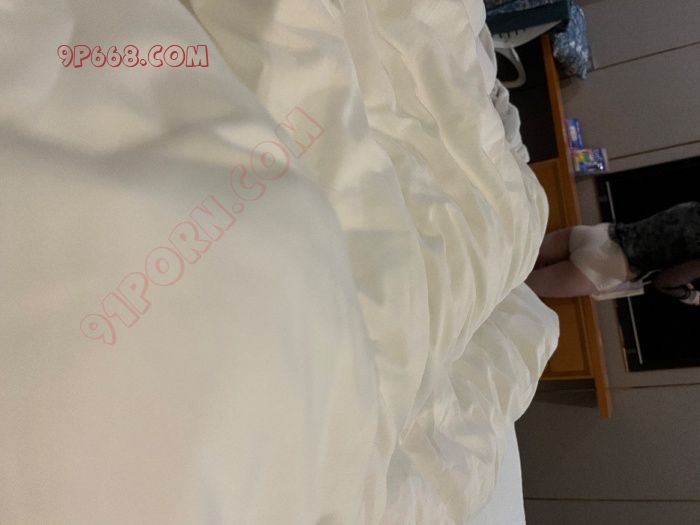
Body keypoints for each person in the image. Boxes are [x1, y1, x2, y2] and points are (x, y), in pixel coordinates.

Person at [526, 201, 700, 305]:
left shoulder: (694, 206)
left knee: (518, 255)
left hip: (599, 234)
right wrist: (691, 296)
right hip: (608, 266)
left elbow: (665, 237)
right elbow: (664, 282)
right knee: (520, 287)